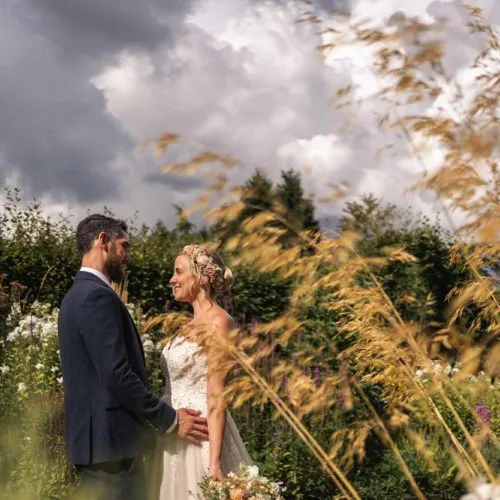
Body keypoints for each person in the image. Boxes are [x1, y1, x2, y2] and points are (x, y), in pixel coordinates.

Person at [58, 214, 209, 500]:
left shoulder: (75, 295)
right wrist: (171, 420)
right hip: (111, 448)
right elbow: (117, 374)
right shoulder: (96, 297)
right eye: (123, 246)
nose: (127, 257)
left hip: (98, 447)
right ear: (103, 241)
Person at [159, 244, 252, 499]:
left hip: (201, 437)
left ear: (201, 277)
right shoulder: (185, 326)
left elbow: (216, 394)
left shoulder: (220, 323)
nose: (172, 279)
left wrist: (214, 462)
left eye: (178, 272)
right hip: (174, 434)